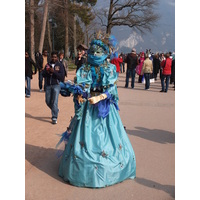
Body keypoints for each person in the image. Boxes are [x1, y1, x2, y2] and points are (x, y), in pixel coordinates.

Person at [57, 34, 136, 188]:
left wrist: (101, 97)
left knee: (107, 135)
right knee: (84, 135)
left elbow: (112, 89)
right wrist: (79, 94)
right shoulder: (84, 68)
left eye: (98, 53)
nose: (94, 55)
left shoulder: (110, 68)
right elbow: (83, 86)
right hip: (88, 106)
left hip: (104, 107)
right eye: (92, 52)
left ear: (105, 53)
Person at [42, 51, 65, 124]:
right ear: (50, 57)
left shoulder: (60, 65)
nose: (54, 58)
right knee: (48, 101)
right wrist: (47, 72)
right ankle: (56, 110)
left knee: (55, 101)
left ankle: (54, 117)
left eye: (55, 57)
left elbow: (62, 76)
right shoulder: (47, 65)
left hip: (56, 85)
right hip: (48, 85)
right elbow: (43, 74)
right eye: (52, 57)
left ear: (57, 57)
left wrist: (54, 72)